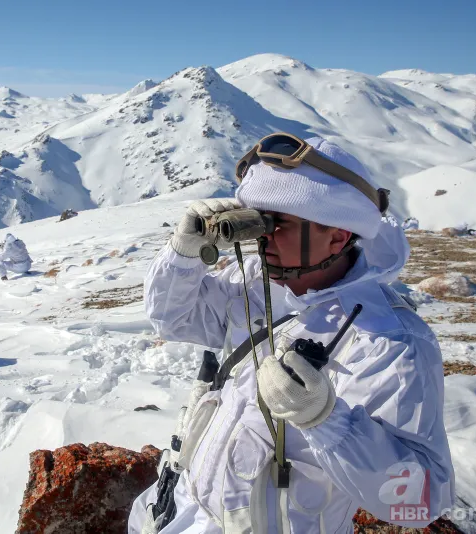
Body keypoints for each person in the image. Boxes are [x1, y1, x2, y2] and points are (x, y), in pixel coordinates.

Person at [129, 133, 454, 533]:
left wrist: (326, 419)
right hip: (184, 515)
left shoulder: (388, 340)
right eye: (259, 219)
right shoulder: (252, 283)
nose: (262, 237)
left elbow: (419, 502)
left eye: (278, 223)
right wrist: (184, 252)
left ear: (338, 236)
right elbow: (171, 319)